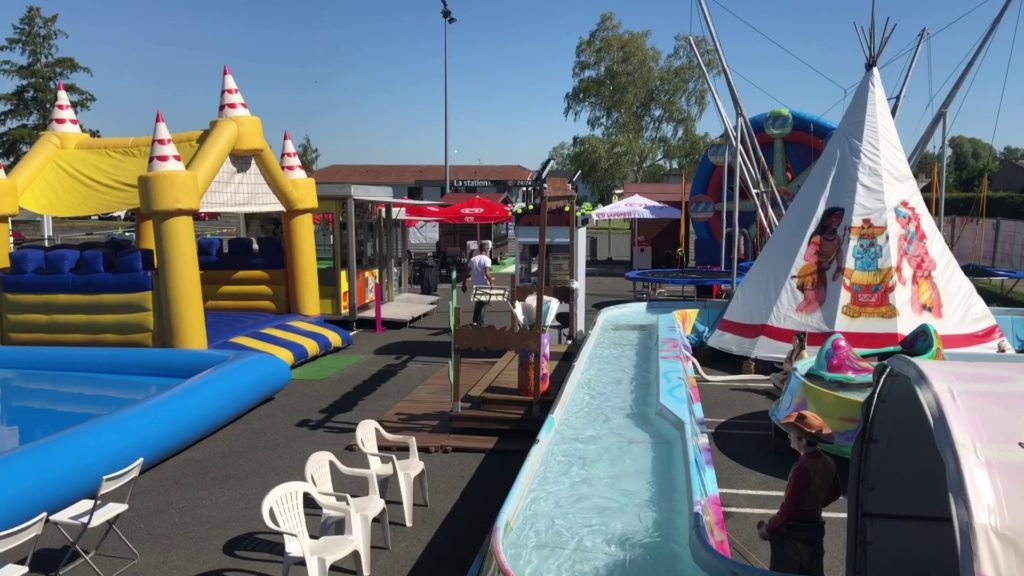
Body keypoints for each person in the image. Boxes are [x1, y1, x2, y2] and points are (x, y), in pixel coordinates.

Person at [758, 410, 841, 575]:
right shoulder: (828, 462)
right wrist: (817, 503)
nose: (789, 437)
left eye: (792, 434)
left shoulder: (801, 469)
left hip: (796, 531)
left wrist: (770, 529)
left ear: (802, 440)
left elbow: (789, 508)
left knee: (789, 567)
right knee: (814, 567)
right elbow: (835, 492)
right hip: (816, 525)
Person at [462, 239, 494, 325]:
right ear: (486, 250)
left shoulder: (473, 259)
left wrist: (464, 284)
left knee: (479, 303)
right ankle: (479, 323)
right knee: (483, 304)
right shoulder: (487, 260)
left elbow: (466, 272)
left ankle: (475, 320)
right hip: (484, 286)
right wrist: (491, 283)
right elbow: (487, 273)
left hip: (476, 285)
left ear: (479, 250)